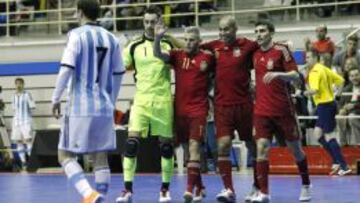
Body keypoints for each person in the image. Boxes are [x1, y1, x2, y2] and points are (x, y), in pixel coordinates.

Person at [51, 0, 125, 202]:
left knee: (64, 155)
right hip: (104, 107)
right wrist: (112, 100)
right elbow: (119, 72)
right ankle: (101, 196)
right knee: (100, 157)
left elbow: (67, 67)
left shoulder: (76, 35)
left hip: (79, 107)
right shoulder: (112, 38)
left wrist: (55, 98)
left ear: (79, 12)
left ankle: (89, 194)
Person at [115, 6, 176, 203]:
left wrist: (167, 35)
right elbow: (118, 68)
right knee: (131, 144)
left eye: (153, 21)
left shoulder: (168, 44)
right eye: (146, 22)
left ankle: (165, 190)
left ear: (159, 22)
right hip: (141, 100)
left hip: (163, 100)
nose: (149, 25)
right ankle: (127, 189)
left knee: (166, 147)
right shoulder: (133, 46)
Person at [200, 15, 259, 202]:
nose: (223, 33)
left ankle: (257, 186)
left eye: (226, 29)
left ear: (235, 29)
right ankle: (228, 189)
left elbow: (266, 47)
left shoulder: (248, 45)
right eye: (220, 29)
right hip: (222, 107)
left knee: (253, 145)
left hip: (244, 106)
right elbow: (192, 46)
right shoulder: (214, 46)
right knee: (223, 145)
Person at [252, 20, 311, 202]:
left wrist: (279, 74)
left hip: (283, 110)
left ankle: (306, 185)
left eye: (262, 31)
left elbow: (296, 75)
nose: (259, 34)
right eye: (256, 31)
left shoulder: (282, 50)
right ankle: (264, 192)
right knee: (261, 148)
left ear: (271, 32)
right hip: (262, 111)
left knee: (296, 151)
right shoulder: (254, 53)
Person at [153, 24, 214, 203]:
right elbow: (158, 54)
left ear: (199, 42)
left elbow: (218, 75)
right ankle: (200, 187)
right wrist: (157, 38)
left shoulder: (208, 58)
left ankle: (189, 190)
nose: (187, 43)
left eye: (191, 40)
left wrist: (209, 94)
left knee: (195, 148)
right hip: (180, 111)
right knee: (188, 151)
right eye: (185, 40)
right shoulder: (177, 55)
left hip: (198, 110)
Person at [304, 50, 352, 176]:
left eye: (308, 57)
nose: (306, 60)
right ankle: (336, 161)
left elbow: (314, 90)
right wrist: (338, 96)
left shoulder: (315, 71)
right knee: (317, 134)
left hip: (325, 106)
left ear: (315, 58)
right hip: (327, 105)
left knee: (329, 136)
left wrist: (304, 93)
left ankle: (344, 165)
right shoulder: (323, 68)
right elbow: (341, 81)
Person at [11, 78, 35, 170]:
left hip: (26, 121)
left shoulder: (27, 94)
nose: (18, 85)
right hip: (16, 122)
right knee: (18, 142)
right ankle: (24, 163)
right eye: (16, 83)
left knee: (28, 141)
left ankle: (32, 162)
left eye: (20, 83)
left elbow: (32, 106)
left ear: (23, 84)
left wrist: (30, 103)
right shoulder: (13, 96)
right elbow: (14, 109)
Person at [338, 67, 360, 146]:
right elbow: (340, 103)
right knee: (340, 116)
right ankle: (343, 143)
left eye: (357, 75)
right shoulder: (347, 88)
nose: (355, 78)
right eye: (352, 76)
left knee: (352, 117)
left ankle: (358, 143)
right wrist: (341, 109)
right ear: (349, 78)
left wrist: (354, 105)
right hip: (348, 110)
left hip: (357, 110)